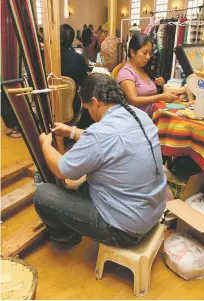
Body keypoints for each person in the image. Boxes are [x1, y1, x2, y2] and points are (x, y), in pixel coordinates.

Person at [33, 73, 166, 248]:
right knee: (82, 185)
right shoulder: (138, 115)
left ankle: (67, 238)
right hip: (152, 213)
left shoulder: (101, 133)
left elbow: (61, 169)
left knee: (43, 194)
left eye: (88, 108)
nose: (89, 113)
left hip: (125, 231)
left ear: (95, 102)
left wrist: (45, 145)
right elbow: (108, 141)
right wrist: (71, 132)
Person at [117, 34, 179, 116]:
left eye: (150, 53)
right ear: (132, 52)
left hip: (151, 116)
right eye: (144, 53)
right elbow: (133, 99)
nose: (148, 57)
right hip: (137, 121)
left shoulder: (143, 69)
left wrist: (160, 84)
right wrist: (160, 97)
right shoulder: (126, 73)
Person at [60, 24, 88, 118]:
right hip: (71, 107)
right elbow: (83, 82)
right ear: (72, 39)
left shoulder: (43, 56)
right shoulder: (77, 58)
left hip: (46, 105)